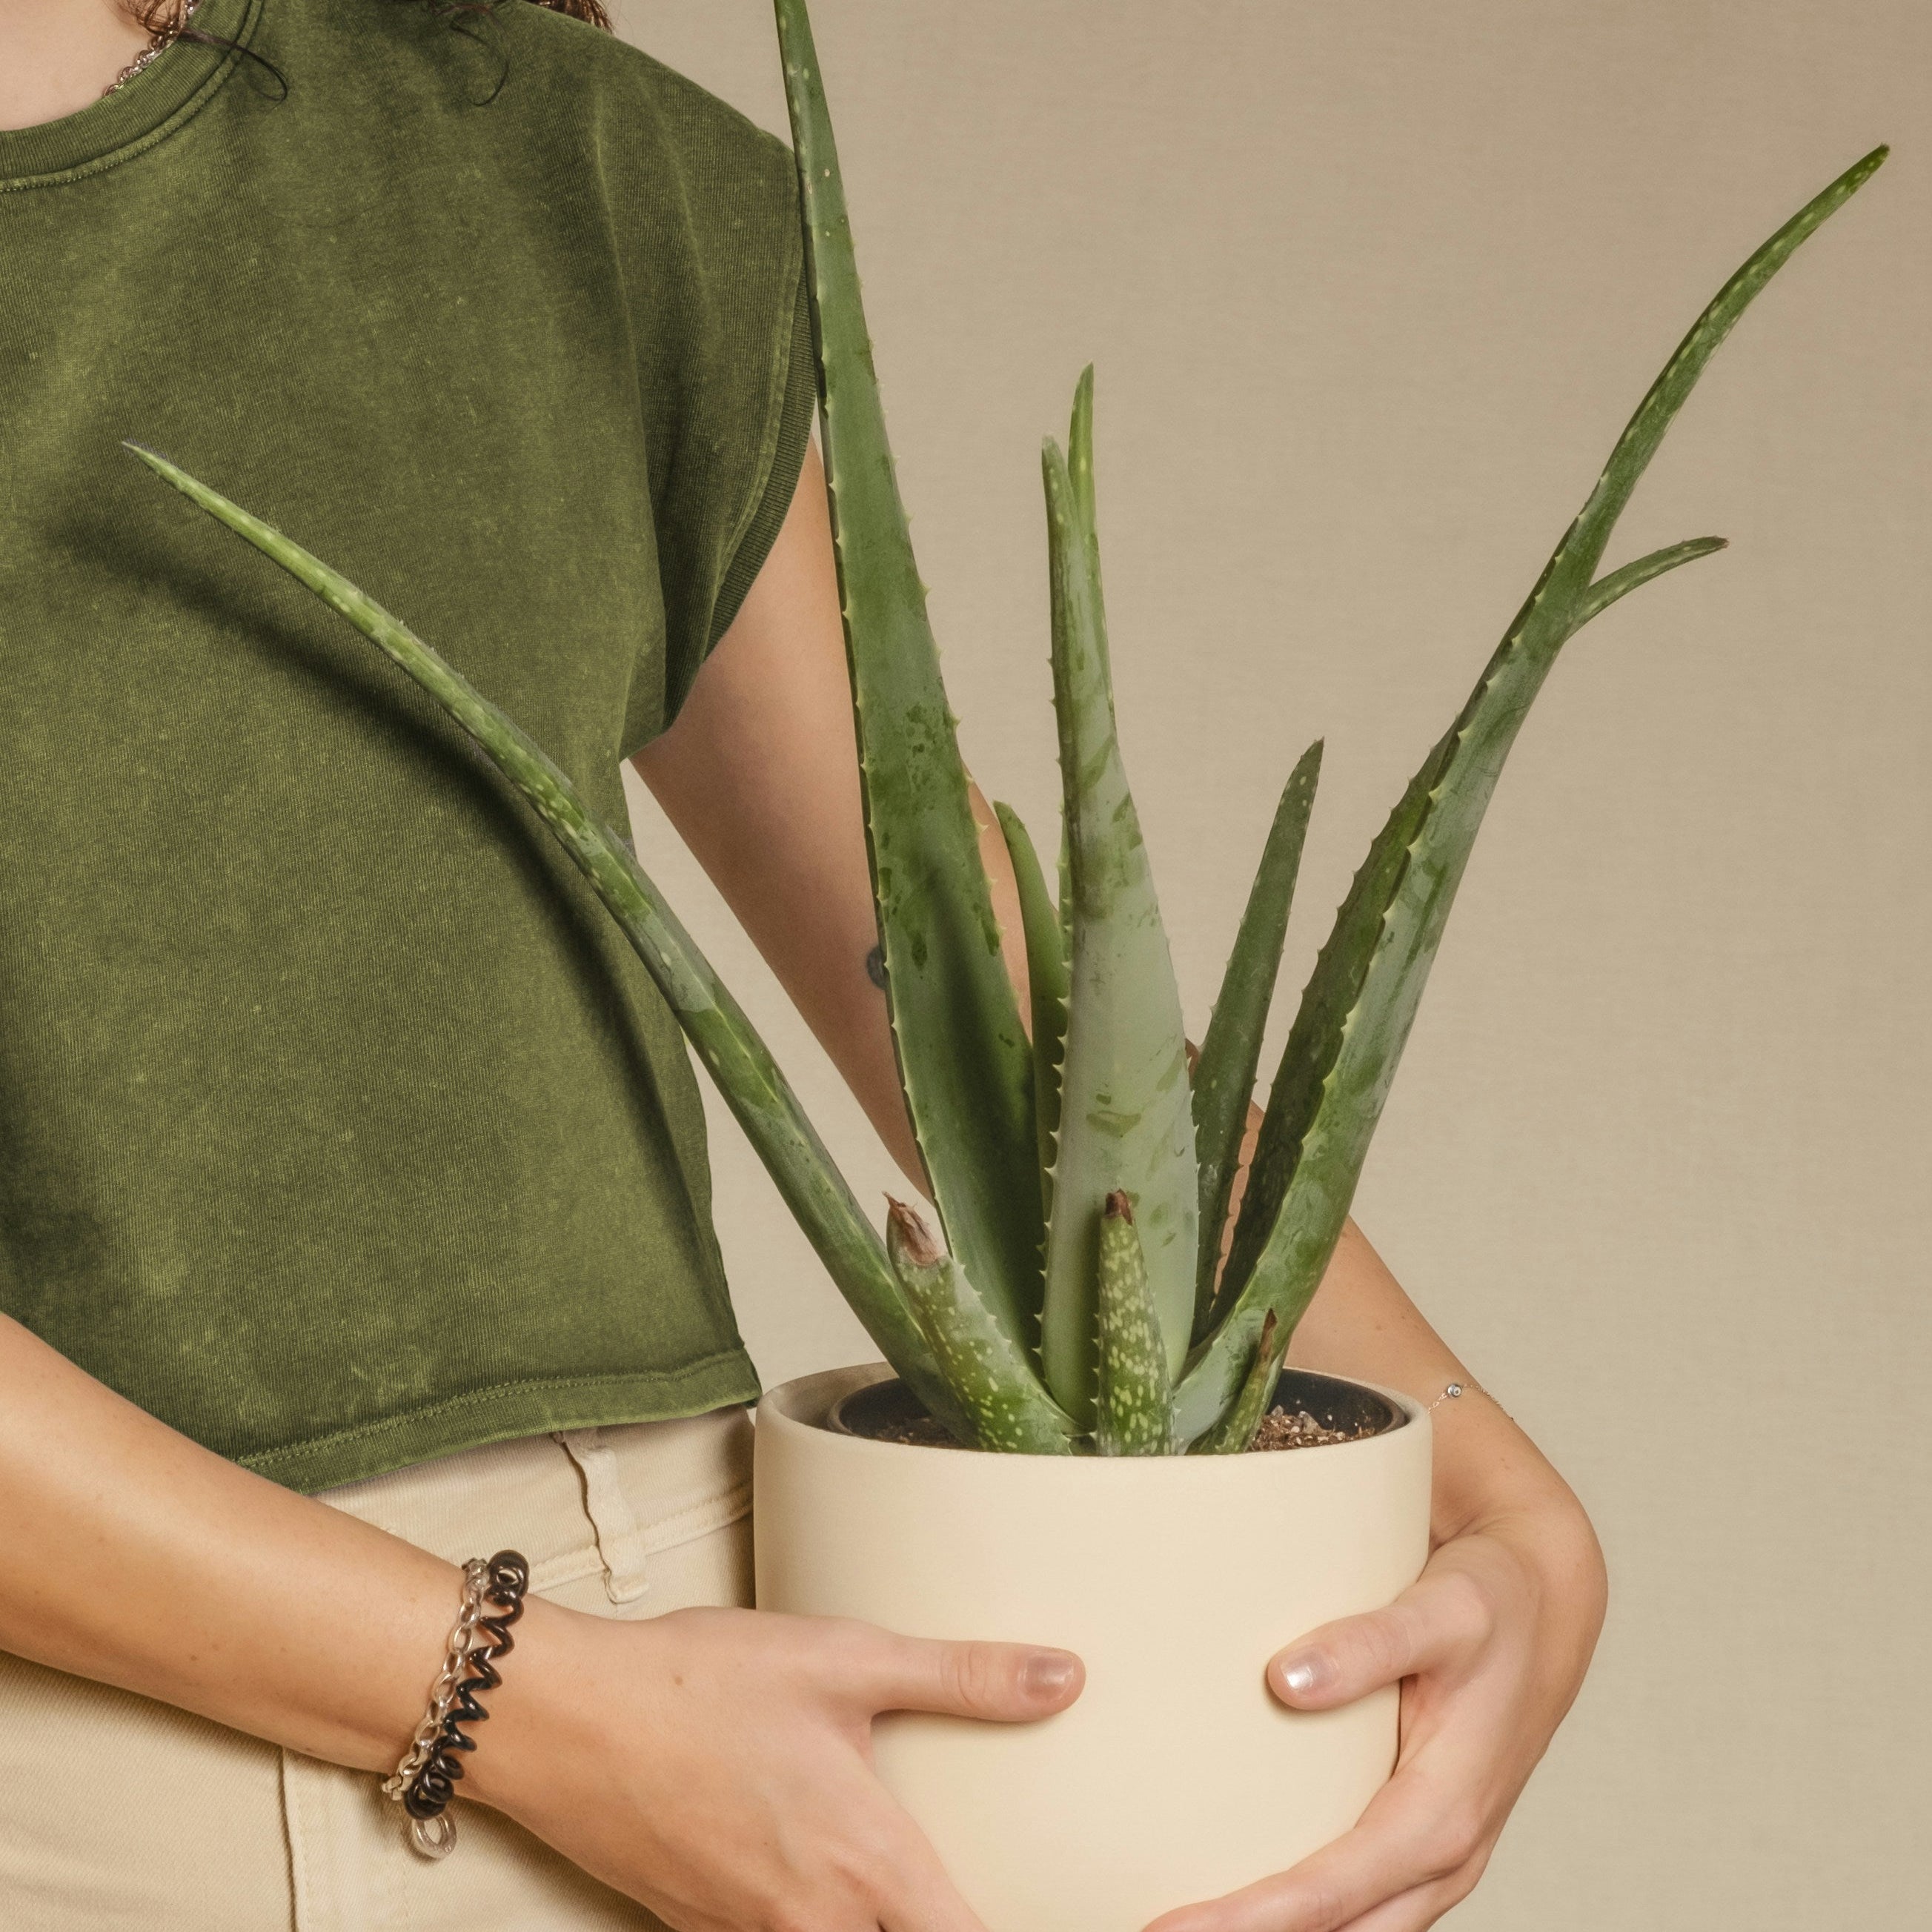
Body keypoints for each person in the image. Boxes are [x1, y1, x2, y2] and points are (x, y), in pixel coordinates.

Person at [0, 3, 1608, 1928]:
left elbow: (963, 992)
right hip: (116, 1755)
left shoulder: (543, 142)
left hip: (729, 1703)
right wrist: (534, 1709)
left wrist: (1488, 1486)